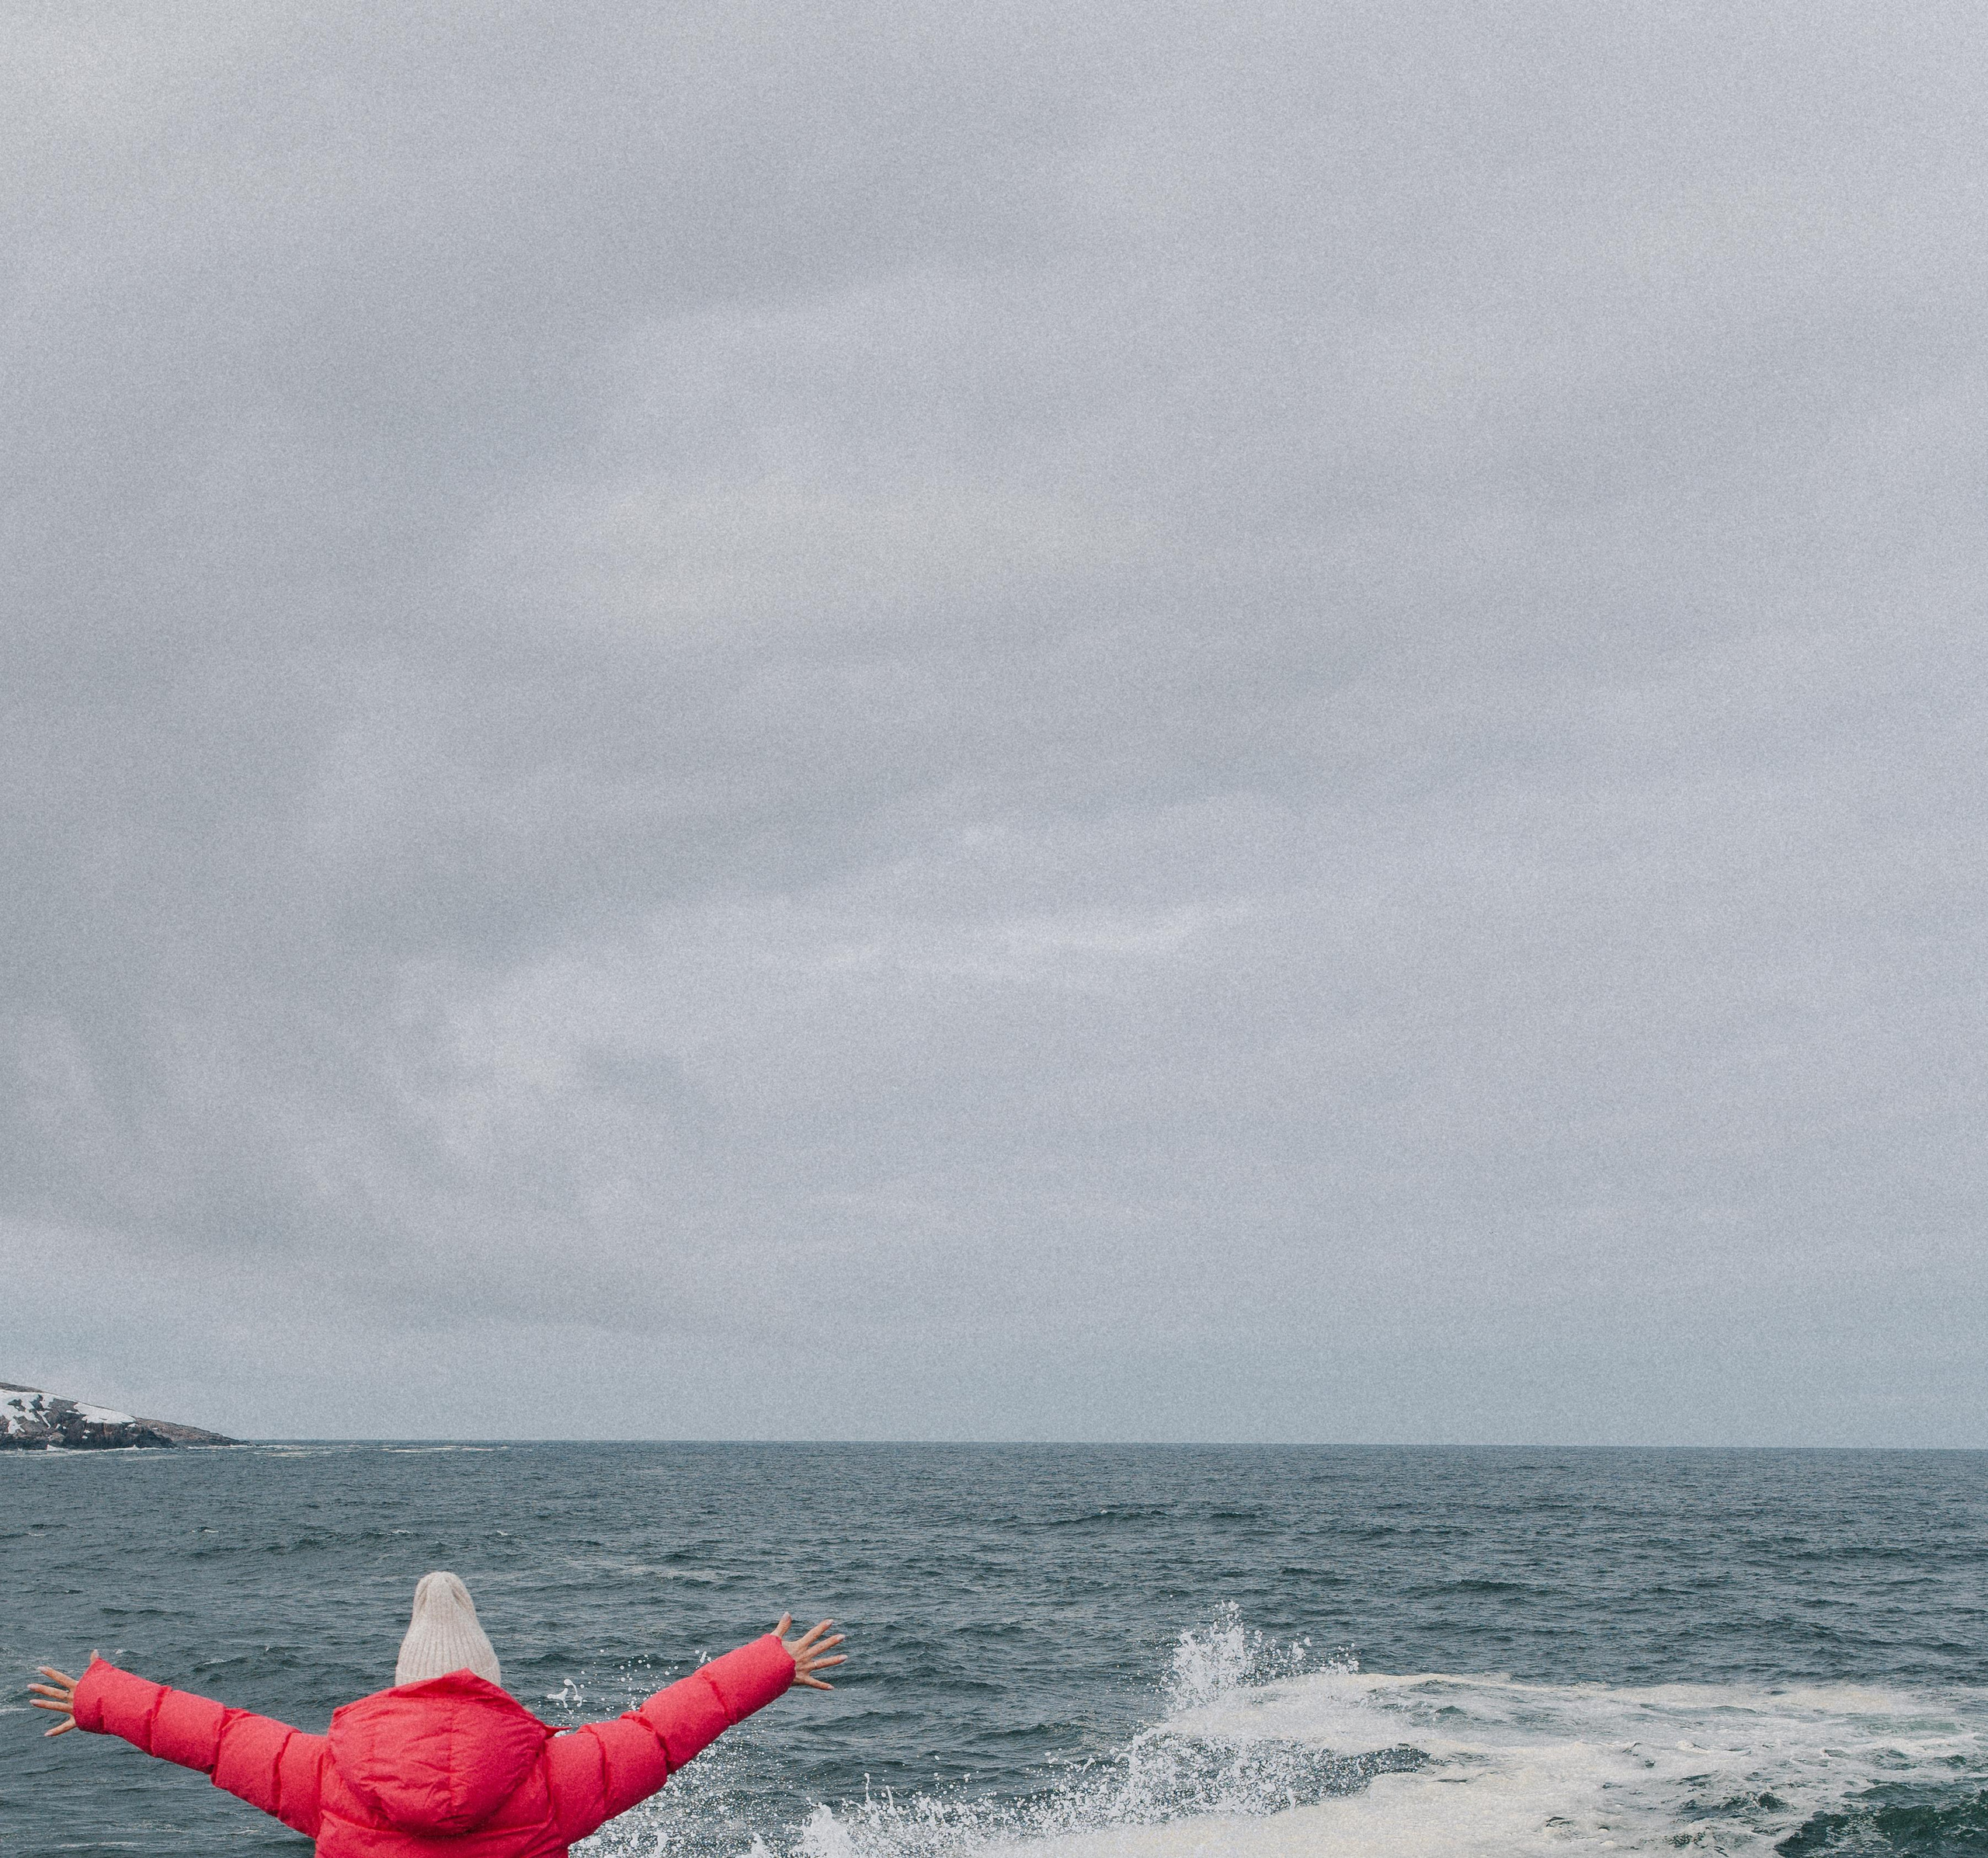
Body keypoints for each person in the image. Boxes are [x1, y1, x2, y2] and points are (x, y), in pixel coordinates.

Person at [29, 1569, 844, 1856]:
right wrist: (769, 1662)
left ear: (401, 1684)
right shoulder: (555, 1779)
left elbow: (216, 1738)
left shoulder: (329, 1776)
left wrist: (104, 1697)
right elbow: (664, 1731)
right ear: (490, 1684)